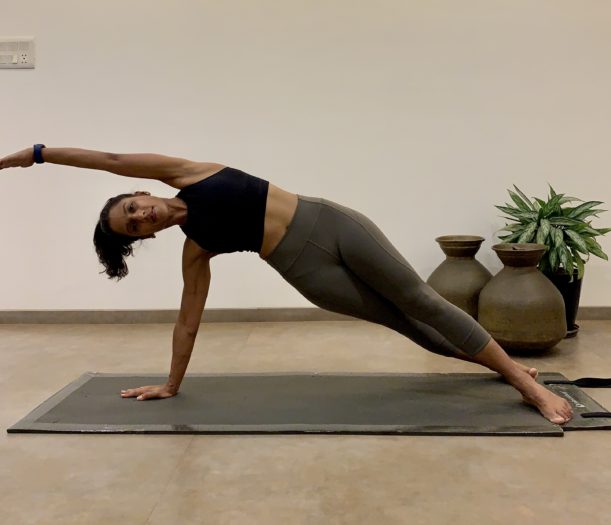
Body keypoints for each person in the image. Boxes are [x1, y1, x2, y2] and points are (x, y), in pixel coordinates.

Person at [0, 145, 574, 424]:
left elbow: (110, 158)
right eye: (132, 225)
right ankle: (511, 370)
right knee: (408, 326)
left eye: (134, 206)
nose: (141, 215)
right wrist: (171, 385)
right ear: (140, 236)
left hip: (332, 225)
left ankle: (527, 386)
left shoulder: (185, 173)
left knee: (420, 299)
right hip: (307, 272)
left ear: (142, 193)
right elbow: (188, 320)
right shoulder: (196, 249)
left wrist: (38, 155)